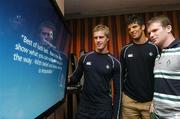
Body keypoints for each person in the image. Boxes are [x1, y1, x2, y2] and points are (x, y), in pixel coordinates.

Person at [69, 24, 121, 119]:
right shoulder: (84, 58)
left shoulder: (115, 62)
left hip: (104, 108)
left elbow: (118, 92)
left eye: (101, 37)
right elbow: (74, 78)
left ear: (107, 38)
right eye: (95, 38)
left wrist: (116, 116)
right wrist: (60, 79)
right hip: (85, 107)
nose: (98, 40)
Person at [119, 15, 160, 119]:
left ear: (142, 27)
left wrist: (156, 99)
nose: (131, 30)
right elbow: (121, 75)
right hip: (129, 101)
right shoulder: (125, 50)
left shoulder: (155, 48)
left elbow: (160, 74)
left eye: (134, 27)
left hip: (150, 101)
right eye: (129, 29)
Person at [147, 15, 180, 118]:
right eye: (149, 33)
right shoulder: (158, 56)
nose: (151, 35)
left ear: (168, 28)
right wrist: (153, 103)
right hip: (157, 114)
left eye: (155, 30)